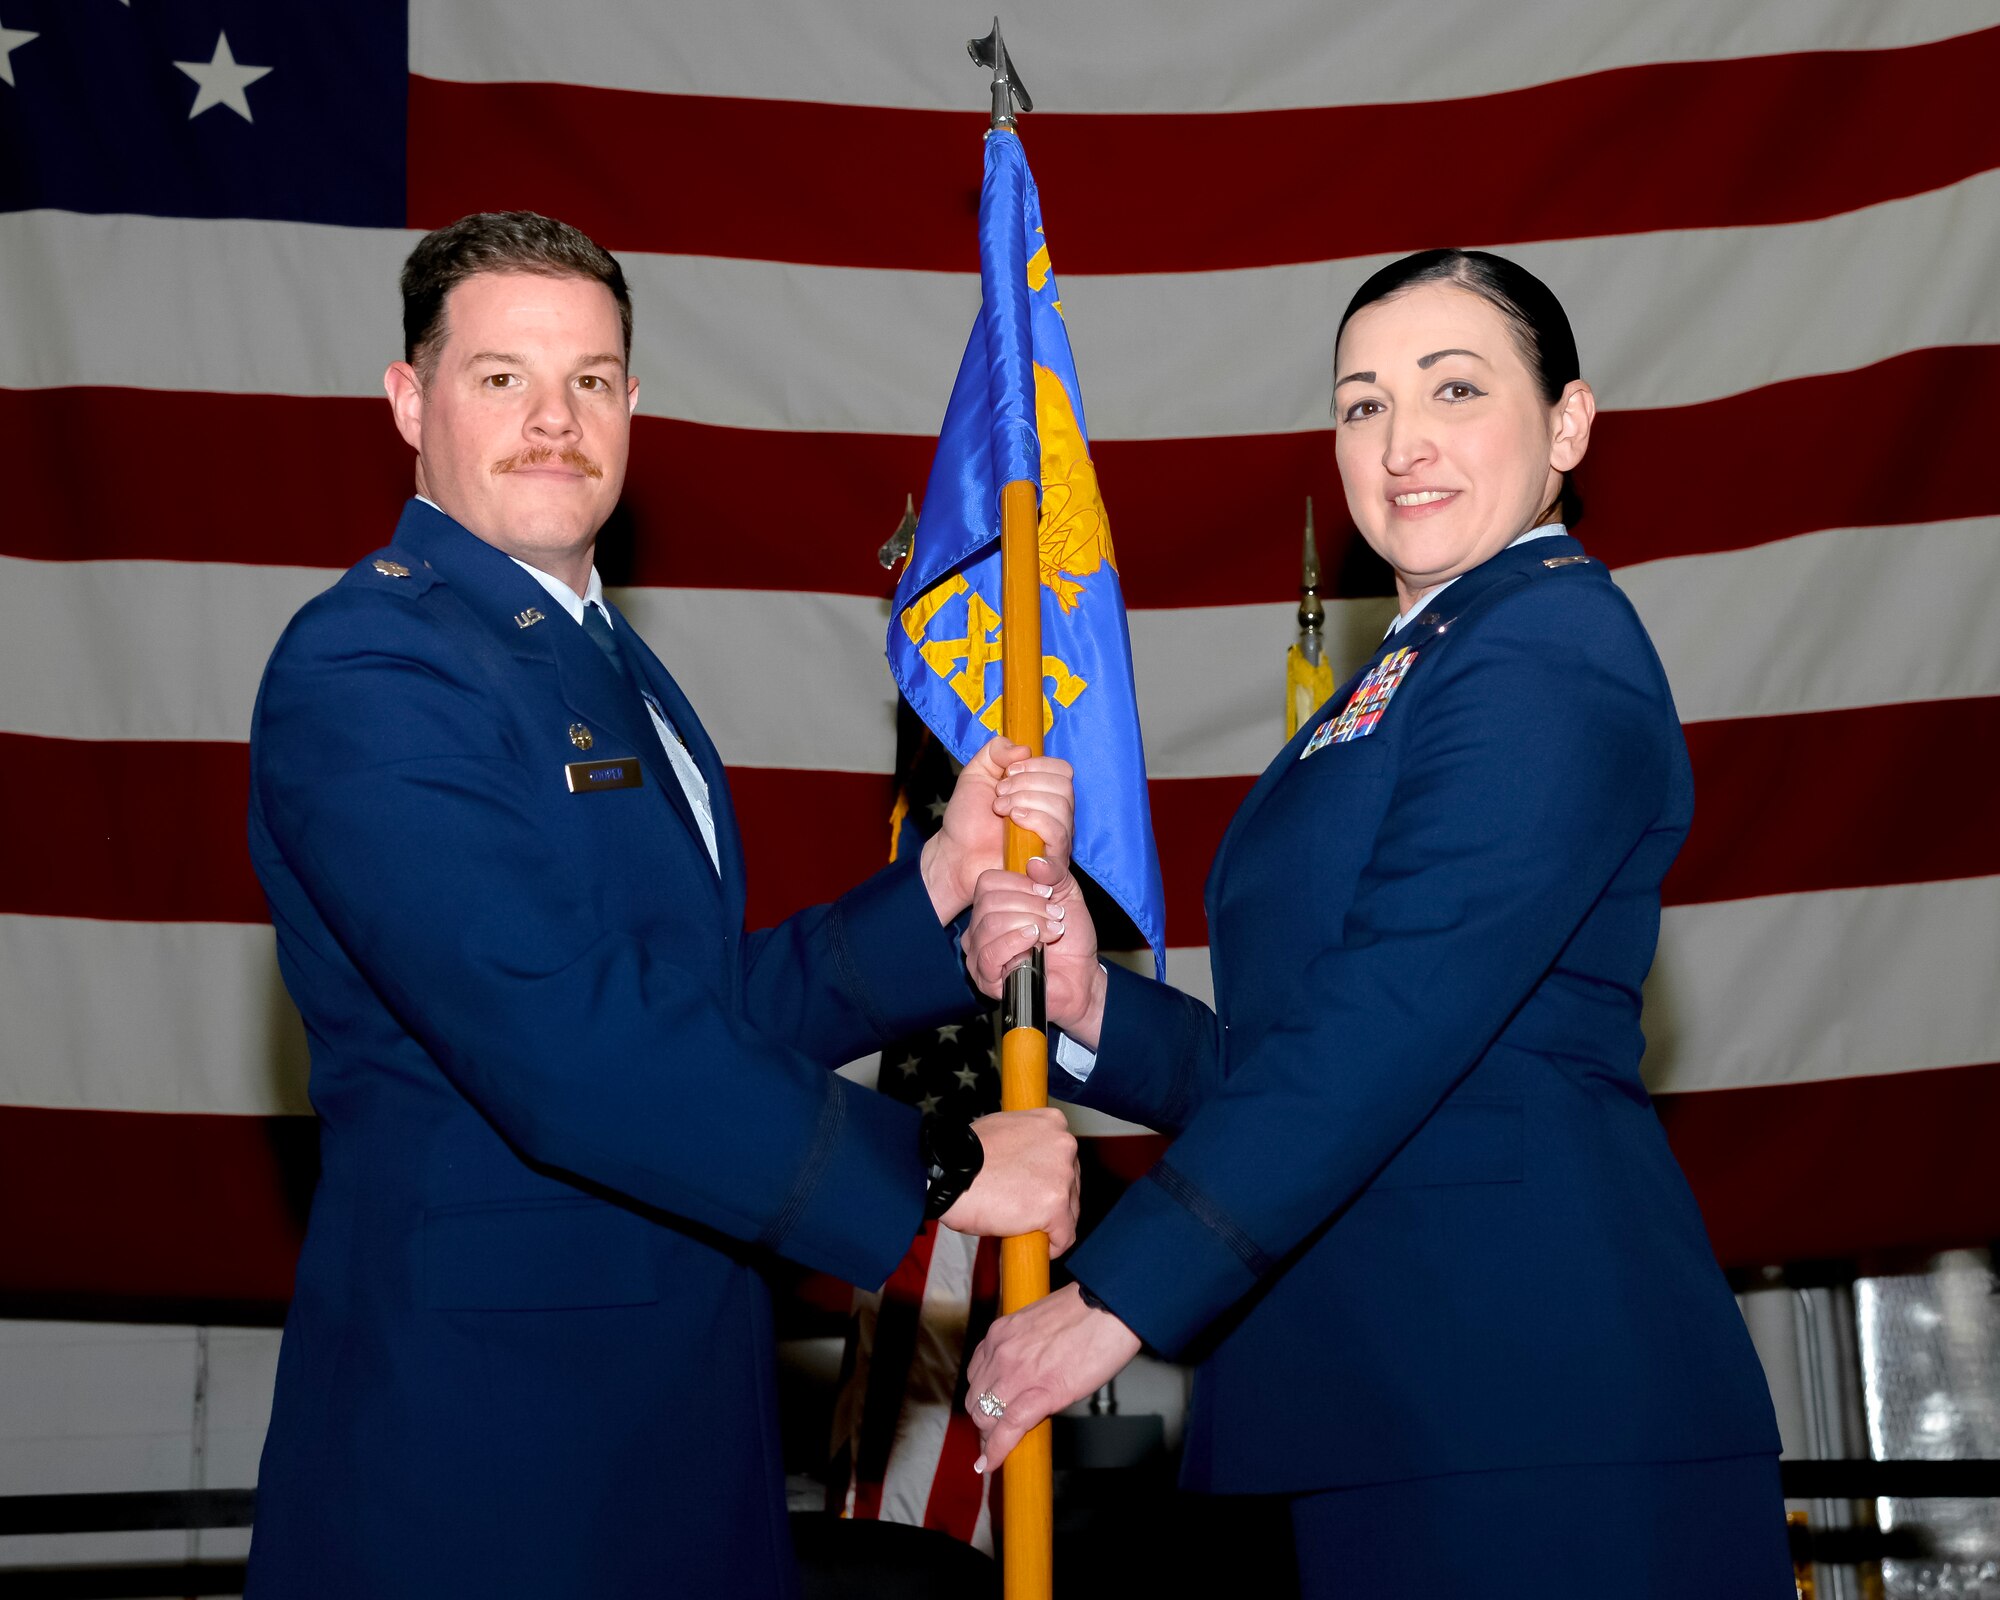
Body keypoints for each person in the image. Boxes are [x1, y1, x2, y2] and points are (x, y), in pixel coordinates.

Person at [243, 211, 1081, 1600]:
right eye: (500, 377)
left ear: (632, 407)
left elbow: (688, 1006)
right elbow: (565, 1040)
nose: (552, 418)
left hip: (678, 1409)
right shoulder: (373, 662)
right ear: (410, 403)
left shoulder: (610, 664)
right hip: (492, 1439)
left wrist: (935, 887)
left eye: (588, 380)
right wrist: (936, 1171)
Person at [960, 249, 1792, 1597]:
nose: (1404, 443)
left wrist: (1116, 1296)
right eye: (1362, 404)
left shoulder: (1548, 651)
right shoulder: (1415, 672)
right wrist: (1092, 1005)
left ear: (1568, 426)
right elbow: (1303, 1051)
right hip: (1384, 1398)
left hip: (1530, 1406)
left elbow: (1390, 1026)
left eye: (1455, 390)